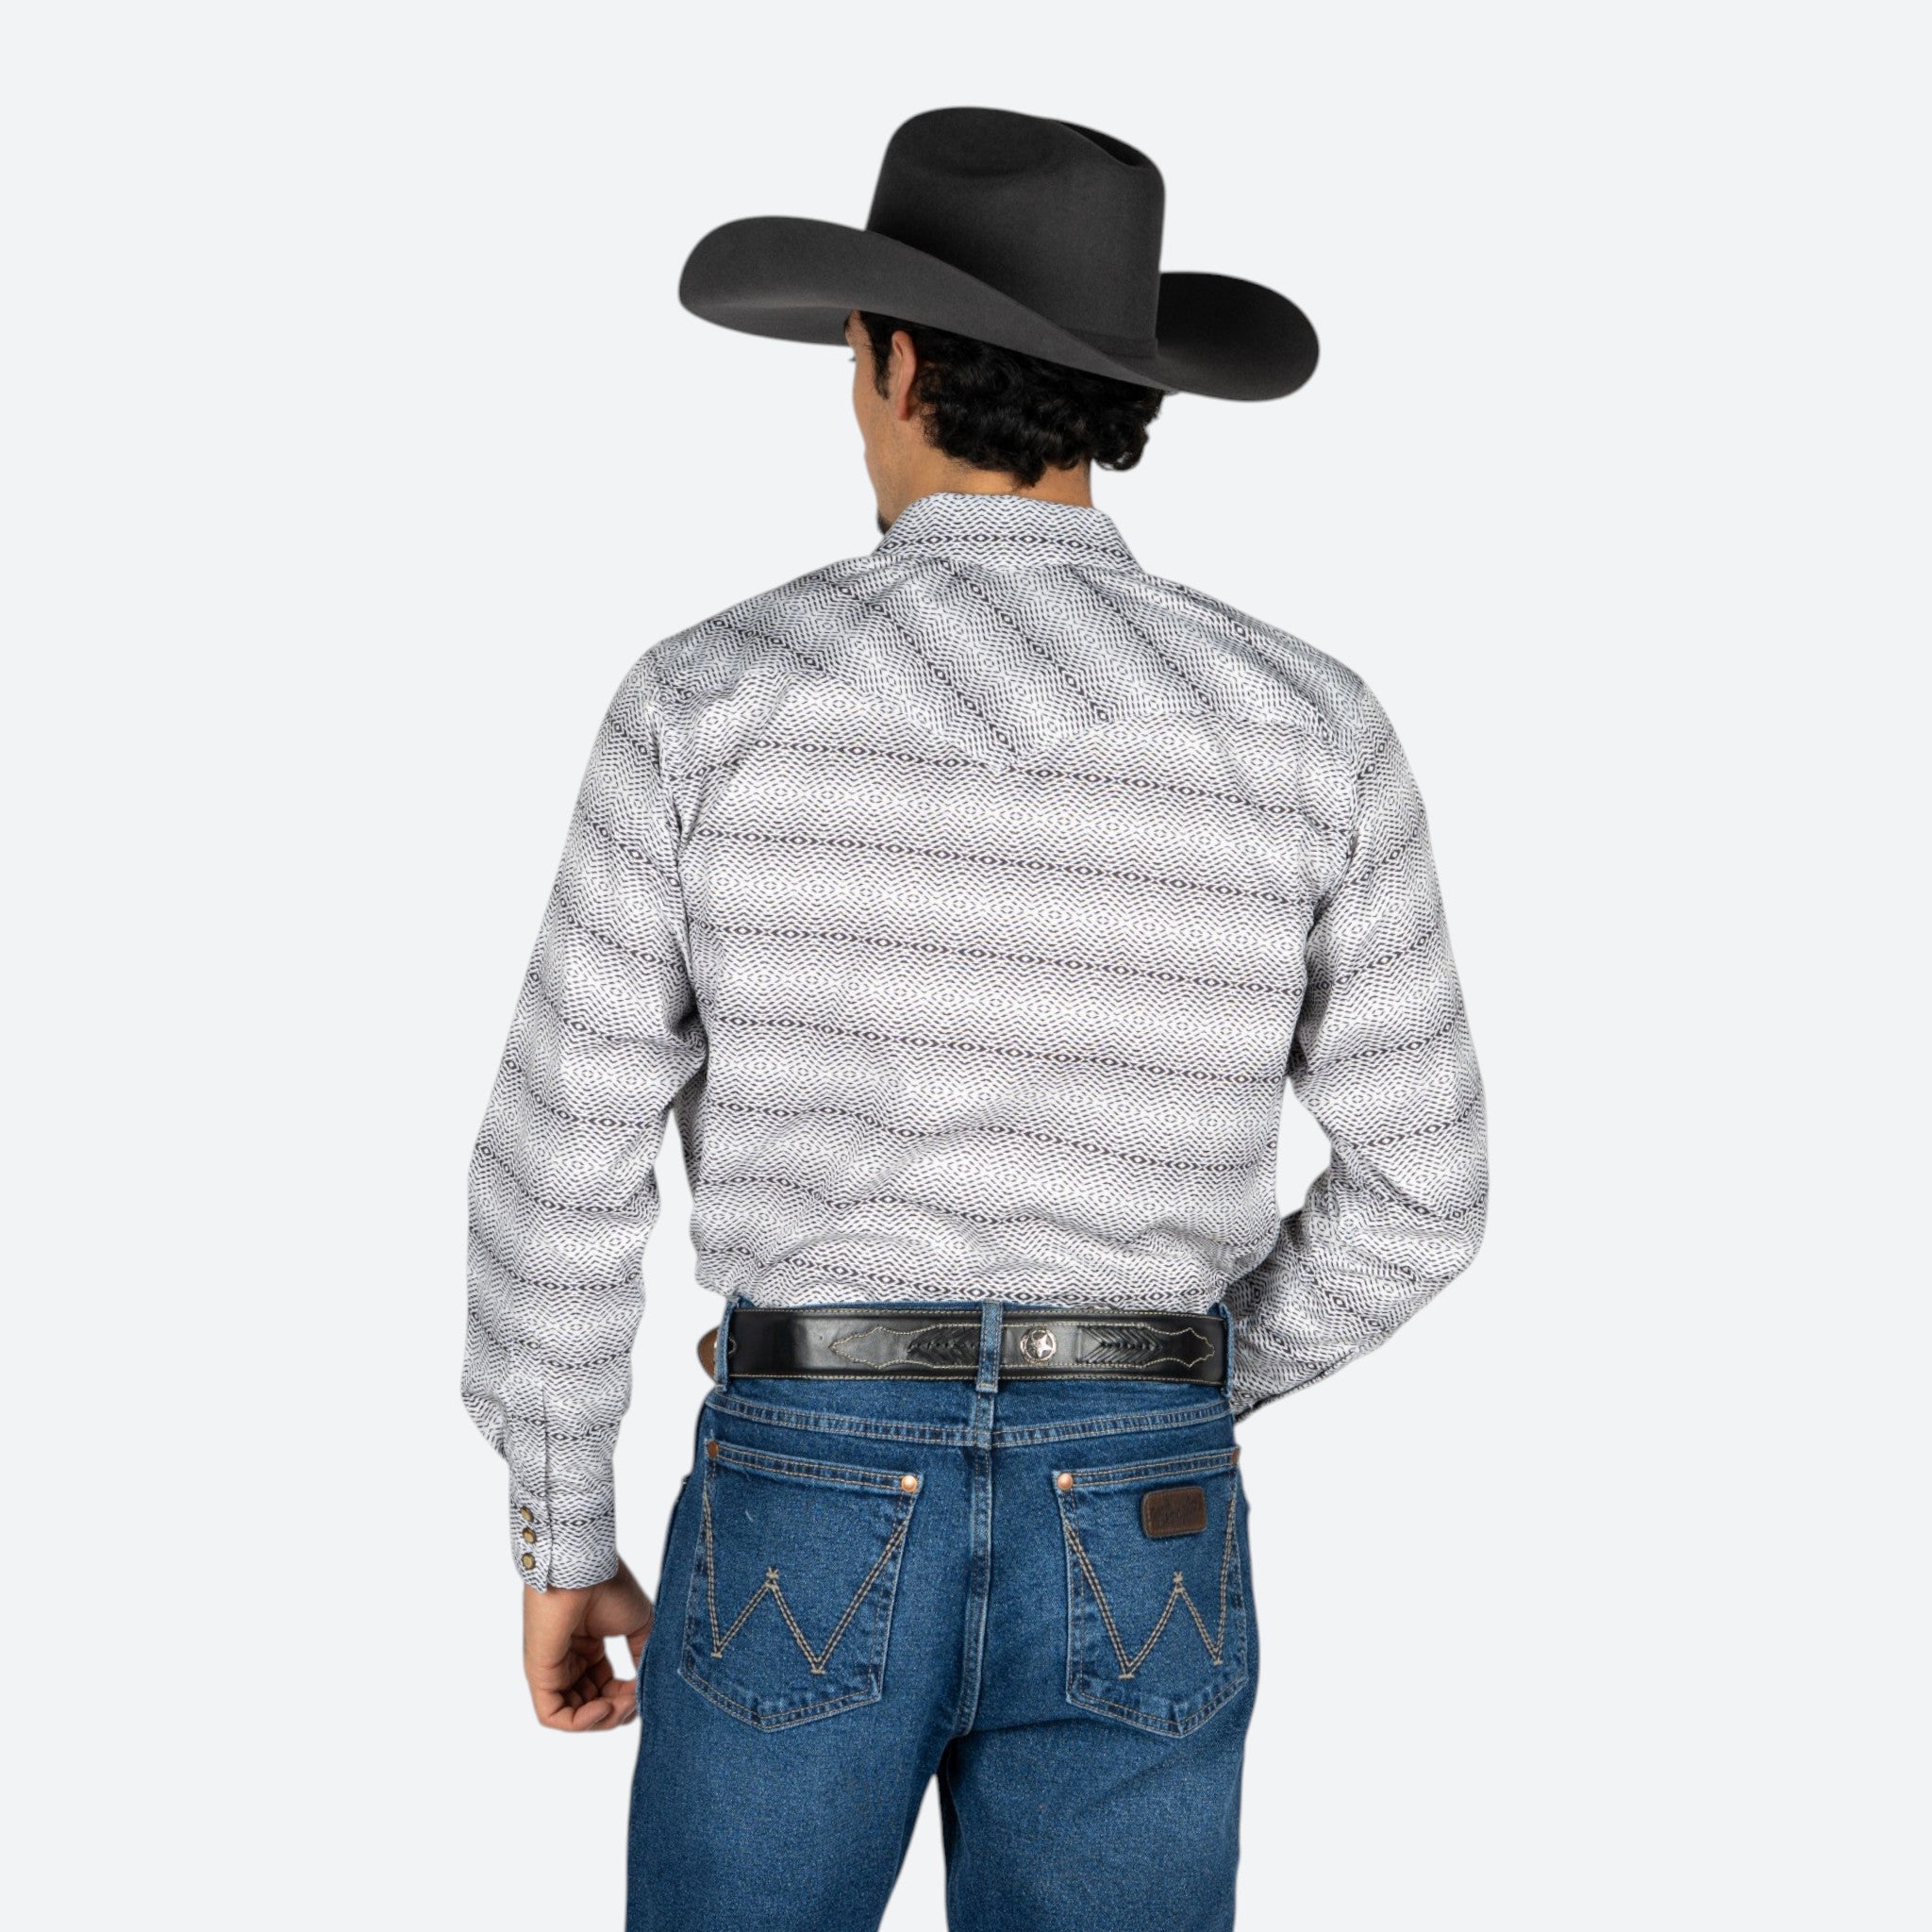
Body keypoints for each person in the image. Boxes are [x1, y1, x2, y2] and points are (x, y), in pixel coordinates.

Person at [462, 105, 1489, 1931]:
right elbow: (1427, 1190)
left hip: (807, 1480)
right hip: (1146, 1504)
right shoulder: (1307, 723)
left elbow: (564, 1159)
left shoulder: (711, 698)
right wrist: (1164, 1384)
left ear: (887, 358)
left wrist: (562, 1529)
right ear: (1127, 396)